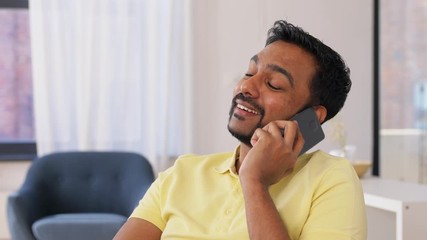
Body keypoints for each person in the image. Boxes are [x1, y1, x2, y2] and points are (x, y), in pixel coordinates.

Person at [114, 20, 367, 240]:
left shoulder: (331, 178)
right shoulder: (180, 174)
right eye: (249, 72)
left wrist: (254, 181)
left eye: (274, 84)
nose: (246, 86)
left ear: (311, 116)